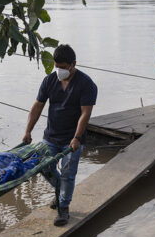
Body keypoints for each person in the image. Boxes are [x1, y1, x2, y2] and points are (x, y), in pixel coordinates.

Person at [23, 44, 98, 226]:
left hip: (72, 139)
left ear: (73, 64)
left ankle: (63, 207)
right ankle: (60, 192)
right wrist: (28, 131)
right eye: (57, 67)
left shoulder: (86, 84)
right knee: (43, 166)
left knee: (68, 173)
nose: (59, 71)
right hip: (51, 136)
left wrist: (77, 137)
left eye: (63, 68)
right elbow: (37, 107)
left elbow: (85, 114)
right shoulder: (49, 81)